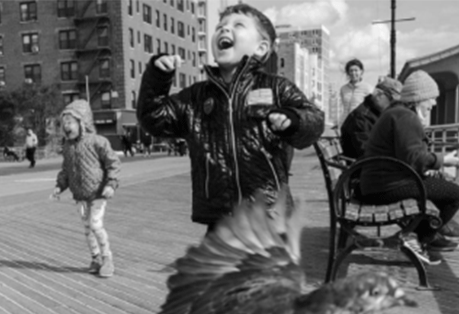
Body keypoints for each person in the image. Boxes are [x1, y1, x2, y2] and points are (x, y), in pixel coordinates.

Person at [138, 3, 324, 231]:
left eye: (238, 25)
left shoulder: (276, 87)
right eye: (220, 26)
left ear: (261, 48)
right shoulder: (196, 97)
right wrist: (157, 78)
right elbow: (153, 118)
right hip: (220, 217)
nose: (225, 30)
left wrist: (293, 120)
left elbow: (314, 120)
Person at [359, 70, 459, 265]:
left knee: (439, 187)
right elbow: (413, 158)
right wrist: (442, 160)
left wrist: (433, 162)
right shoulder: (405, 117)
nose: (433, 104)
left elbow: (408, 156)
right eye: (431, 99)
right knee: (456, 194)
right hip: (386, 186)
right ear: (419, 98)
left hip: (378, 182)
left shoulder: (397, 113)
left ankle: (425, 236)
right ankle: (420, 238)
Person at [50, 100, 121, 278]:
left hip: (98, 192)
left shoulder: (98, 142)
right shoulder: (67, 147)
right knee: (88, 228)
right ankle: (95, 258)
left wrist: (111, 183)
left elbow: (113, 162)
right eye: (64, 123)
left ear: (82, 123)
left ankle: (107, 259)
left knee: (96, 225)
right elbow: (66, 170)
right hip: (80, 195)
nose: (66, 127)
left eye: (70, 122)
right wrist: (60, 186)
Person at [339, 76, 402, 159]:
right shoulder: (362, 117)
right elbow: (367, 151)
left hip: (370, 165)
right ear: (379, 95)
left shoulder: (372, 113)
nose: (393, 106)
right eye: (392, 101)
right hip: (365, 167)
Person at [339, 59, 372, 126]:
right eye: (351, 71)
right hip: (345, 124)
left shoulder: (368, 88)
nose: (353, 73)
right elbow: (343, 108)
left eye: (356, 70)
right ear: (348, 73)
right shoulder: (343, 89)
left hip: (360, 124)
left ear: (361, 71)